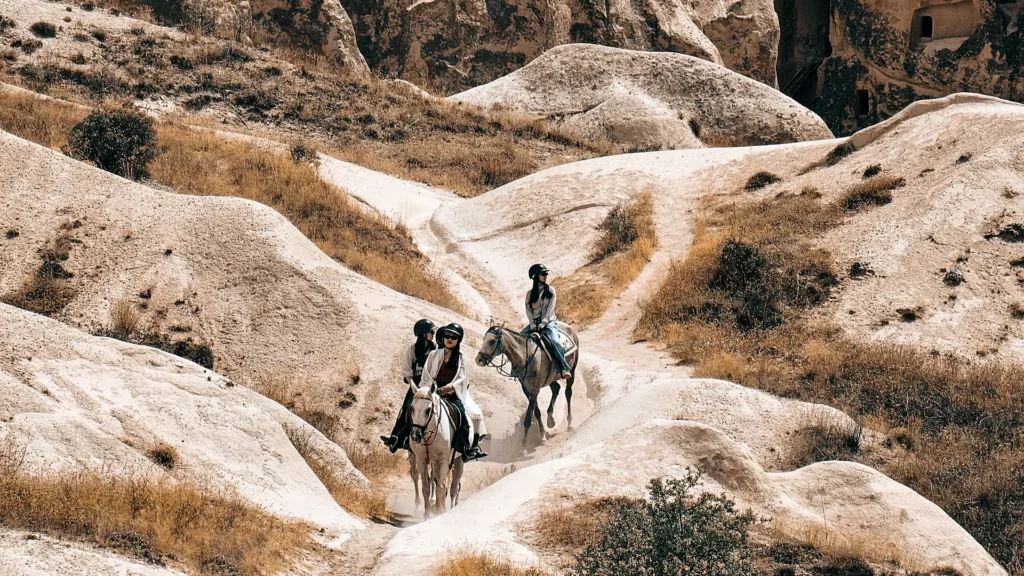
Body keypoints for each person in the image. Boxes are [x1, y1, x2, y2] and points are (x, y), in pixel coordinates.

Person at [421, 323, 488, 462]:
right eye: (447, 336)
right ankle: (407, 439)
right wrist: (432, 388)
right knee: (416, 410)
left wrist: (450, 387)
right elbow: (426, 374)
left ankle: (465, 448)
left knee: (462, 415)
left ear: (458, 340)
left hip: (451, 393)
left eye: (453, 337)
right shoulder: (434, 354)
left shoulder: (462, 358)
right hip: (433, 391)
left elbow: (462, 378)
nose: (449, 339)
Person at [380, 319, 436, 453]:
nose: (433, 334)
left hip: (432, 388)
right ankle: (396, 439)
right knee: (406, 409)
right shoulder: (412, 350)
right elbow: (407, 372)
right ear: (423, 334)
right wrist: (413, 387)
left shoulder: (436, 350)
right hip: (416, 387)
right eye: (431, 332)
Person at [523, 263, 572, 380]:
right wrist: (532, 324)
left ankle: (564, 367)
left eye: (546, 274)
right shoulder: (529, 294)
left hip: (549, 322)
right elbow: (528, 310)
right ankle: (516, 369)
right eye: (543, 274)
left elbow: (551, 309)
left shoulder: (551, 291)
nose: (546, 276)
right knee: (519, 338)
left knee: (555, 341)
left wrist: (544, 322)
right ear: (535, 276)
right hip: (534, 324)